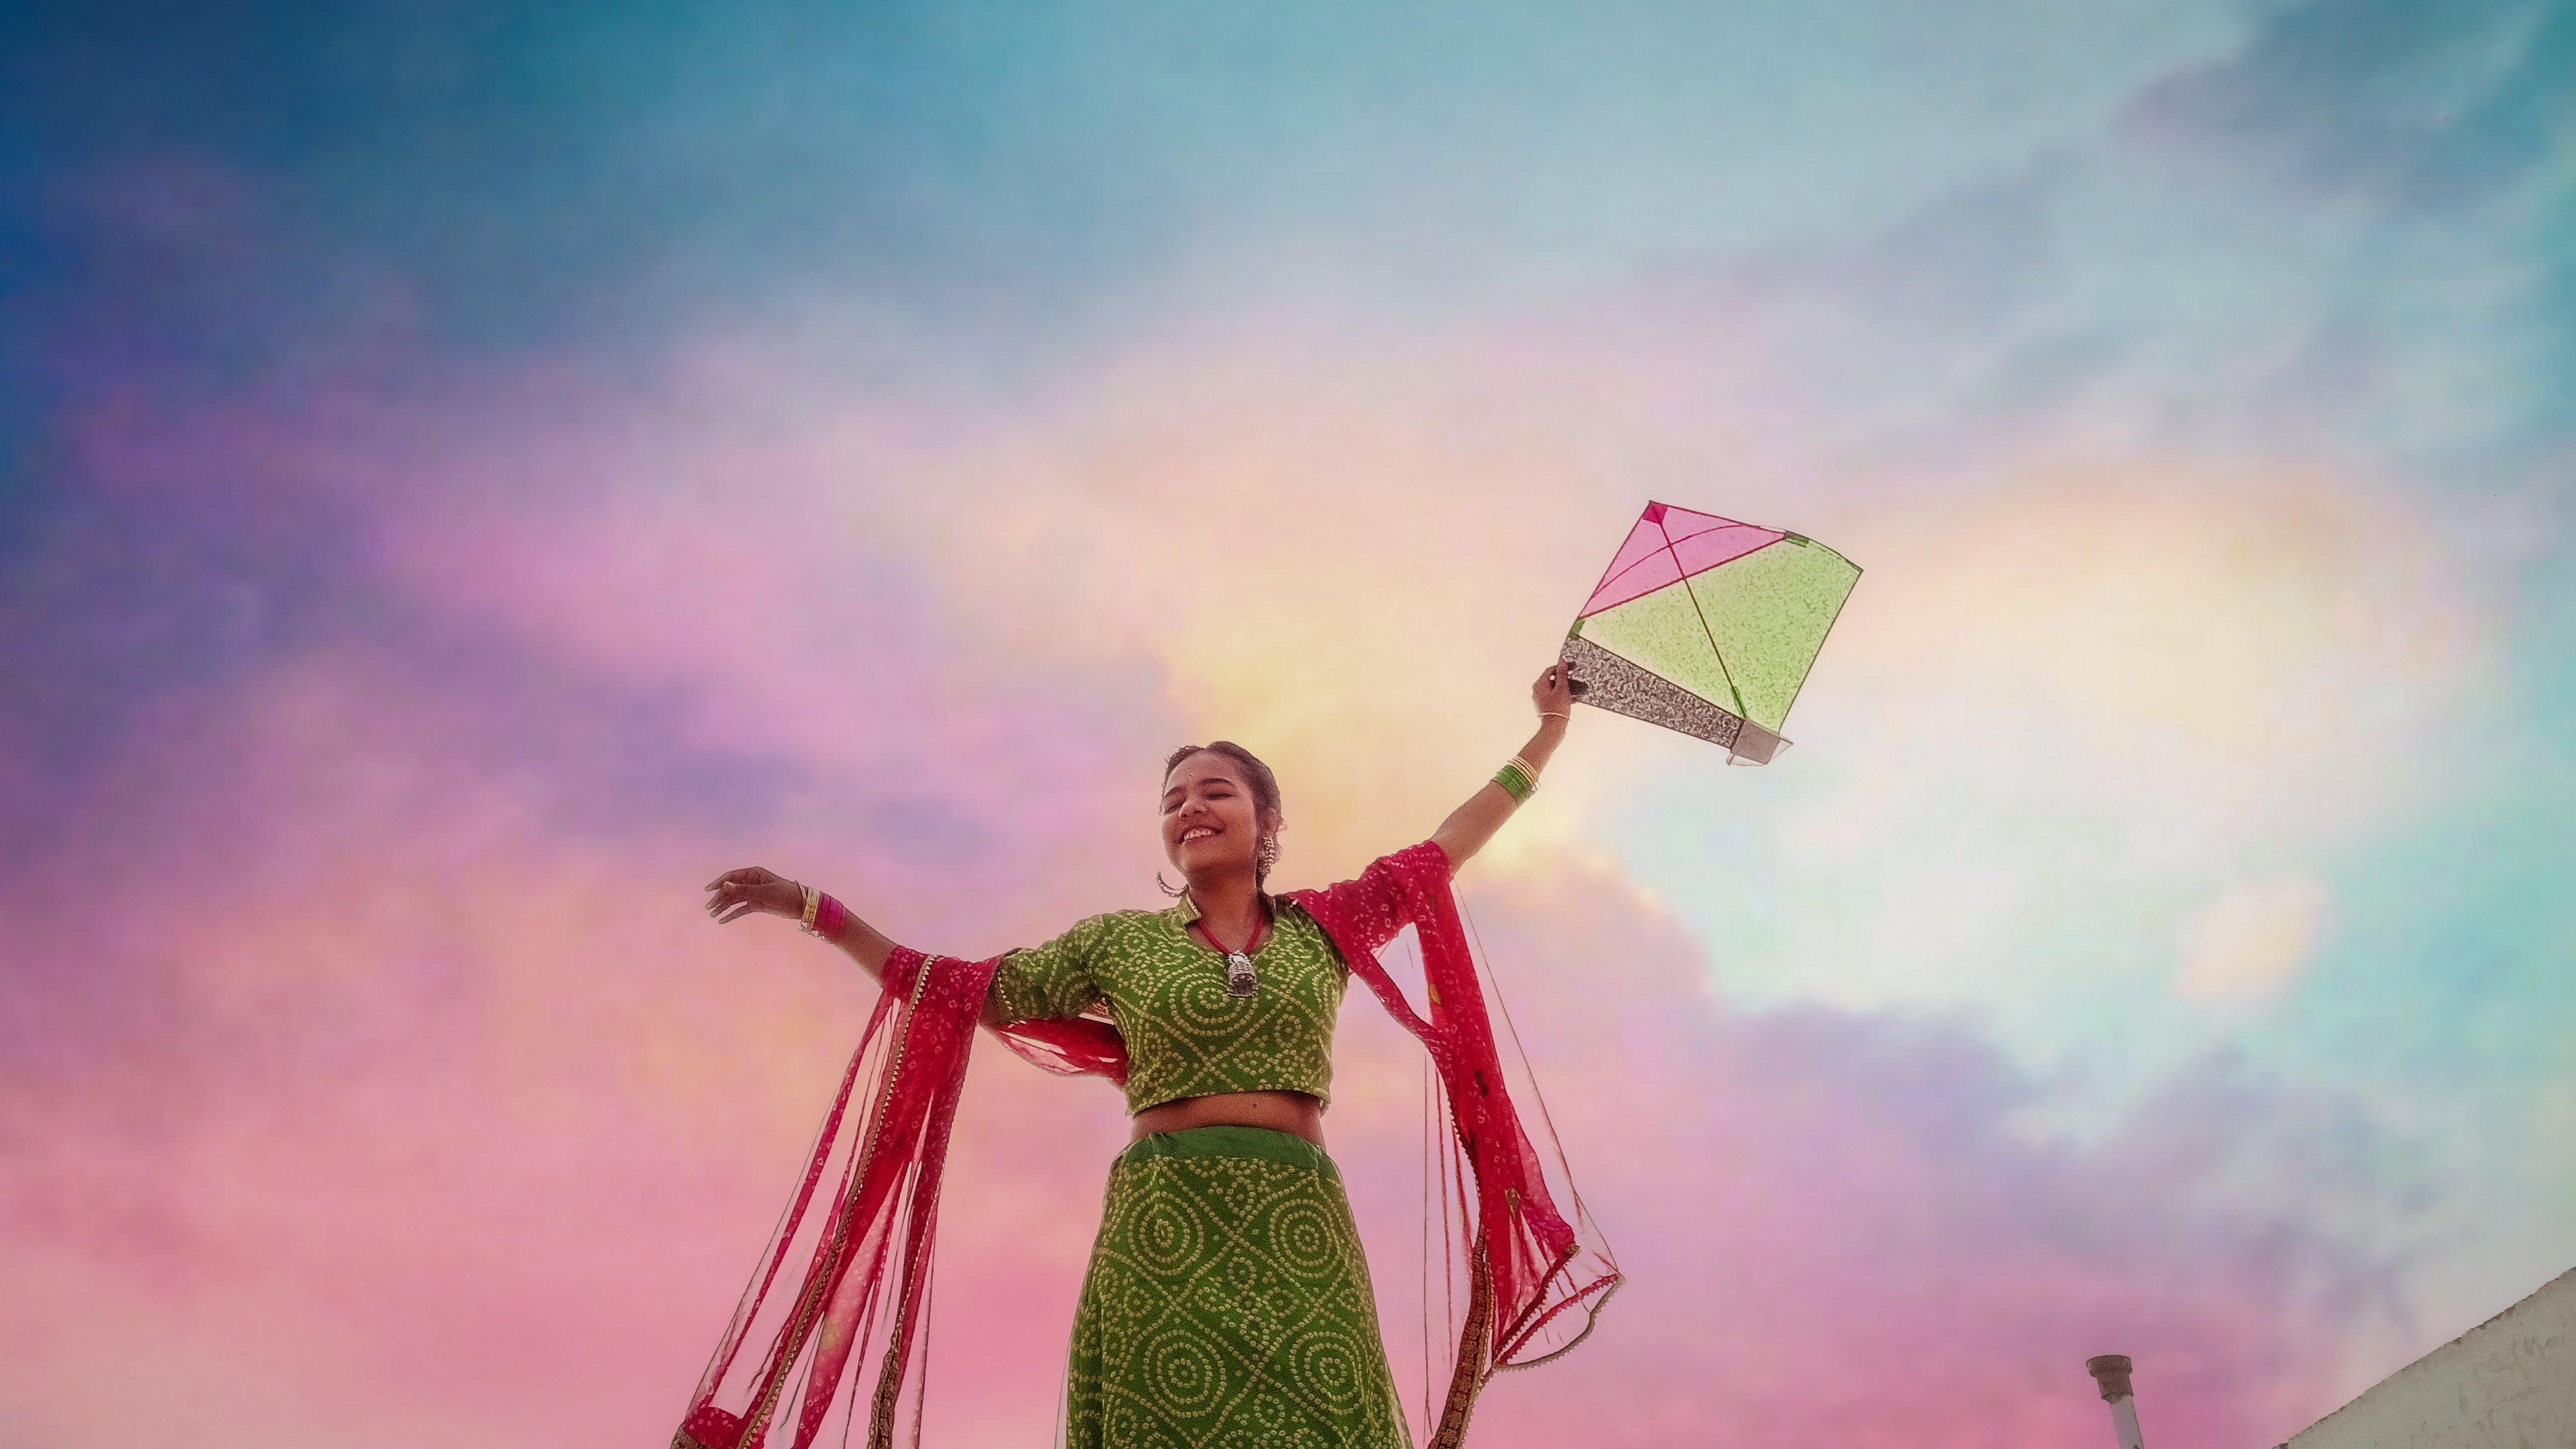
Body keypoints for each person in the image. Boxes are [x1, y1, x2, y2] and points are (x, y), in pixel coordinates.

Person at [685, 661, 1614, 1449]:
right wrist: (821, 913)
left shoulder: (1329, 926)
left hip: (1300, 1224)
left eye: (1215, 792)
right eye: (1173, 801)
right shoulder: (1116, 944)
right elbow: (957, 991)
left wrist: (1549, 732)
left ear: (1266, 819)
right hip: (1162, 1228)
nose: (1190, 810)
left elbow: (1446, 847)